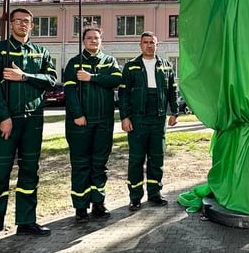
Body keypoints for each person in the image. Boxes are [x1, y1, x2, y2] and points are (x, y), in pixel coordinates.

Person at [0, 8, 57, 253]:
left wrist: (24, 77)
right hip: (7, 120)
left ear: (32, 25)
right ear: (10, 24)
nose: (22, 24)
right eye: (18, 20)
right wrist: (3, 116)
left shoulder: (40, 51)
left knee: (30, 171)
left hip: (33, 120)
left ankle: (26, 220)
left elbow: (51, 80)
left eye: (27, 21)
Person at [63, 27, 121, 220]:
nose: (93, 41)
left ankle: (98, 203)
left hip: (104, 121)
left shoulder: (109, 61)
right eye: (89, 38)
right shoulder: (74, 63)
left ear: (101, 40)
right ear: (83, 41)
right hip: (81, 122)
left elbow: (116, 80)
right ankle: (80, 207)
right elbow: (70, 92)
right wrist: (77, 114)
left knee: (99, 164)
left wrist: (92, 77)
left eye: (96, 38)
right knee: (81, 164)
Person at [118, 32, 178, 211]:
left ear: (157, 45)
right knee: (136, 159)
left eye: (152, 42)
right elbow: (123, 94)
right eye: (146, 42)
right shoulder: (131, 67)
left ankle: (155, 193)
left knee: (156, 158)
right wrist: (125, 117)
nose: (149, 45)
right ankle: (135, 197)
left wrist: (174, 112)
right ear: (140, 45)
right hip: (138, 119)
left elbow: (172, 91)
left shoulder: (166, 66)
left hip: (158, 119)